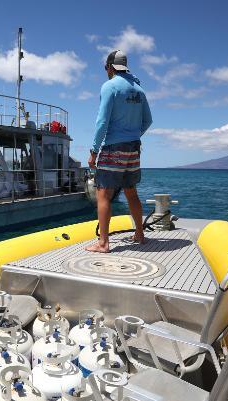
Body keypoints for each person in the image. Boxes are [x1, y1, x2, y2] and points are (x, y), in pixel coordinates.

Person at [86, 50, 152, 253]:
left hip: (113, 148)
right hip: (133, 148)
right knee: (131, 192)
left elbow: (102, 122)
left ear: (110, 67)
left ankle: (103, 243)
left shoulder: (110, 86)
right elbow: (148, 121)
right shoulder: (139, 90)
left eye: (106, 68)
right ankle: (140, 234)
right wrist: (133, 135)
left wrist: (94, 151)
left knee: (103, 194)